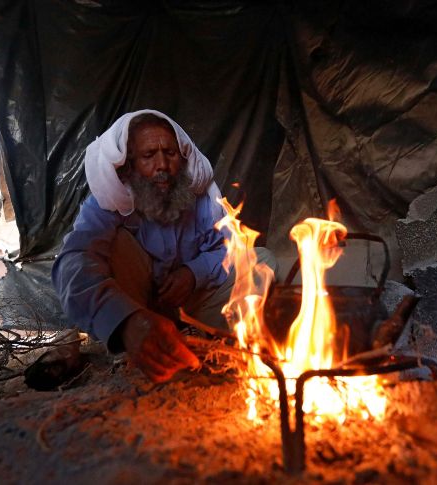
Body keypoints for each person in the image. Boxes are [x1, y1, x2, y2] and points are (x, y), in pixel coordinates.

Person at [52, 109, 276, 383]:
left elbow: (229, 248)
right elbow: (75, 261)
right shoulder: (110, 203)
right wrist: (127, 321)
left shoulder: (203, 201)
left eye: (170, 154)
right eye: (149, 156)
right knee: (112, 246)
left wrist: (193, 273)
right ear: (129, 164)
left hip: (192, 305)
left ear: (182, 159)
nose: (162, 165)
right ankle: (136, 341)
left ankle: (204, 339)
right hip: (137, 307)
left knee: (260, 258)